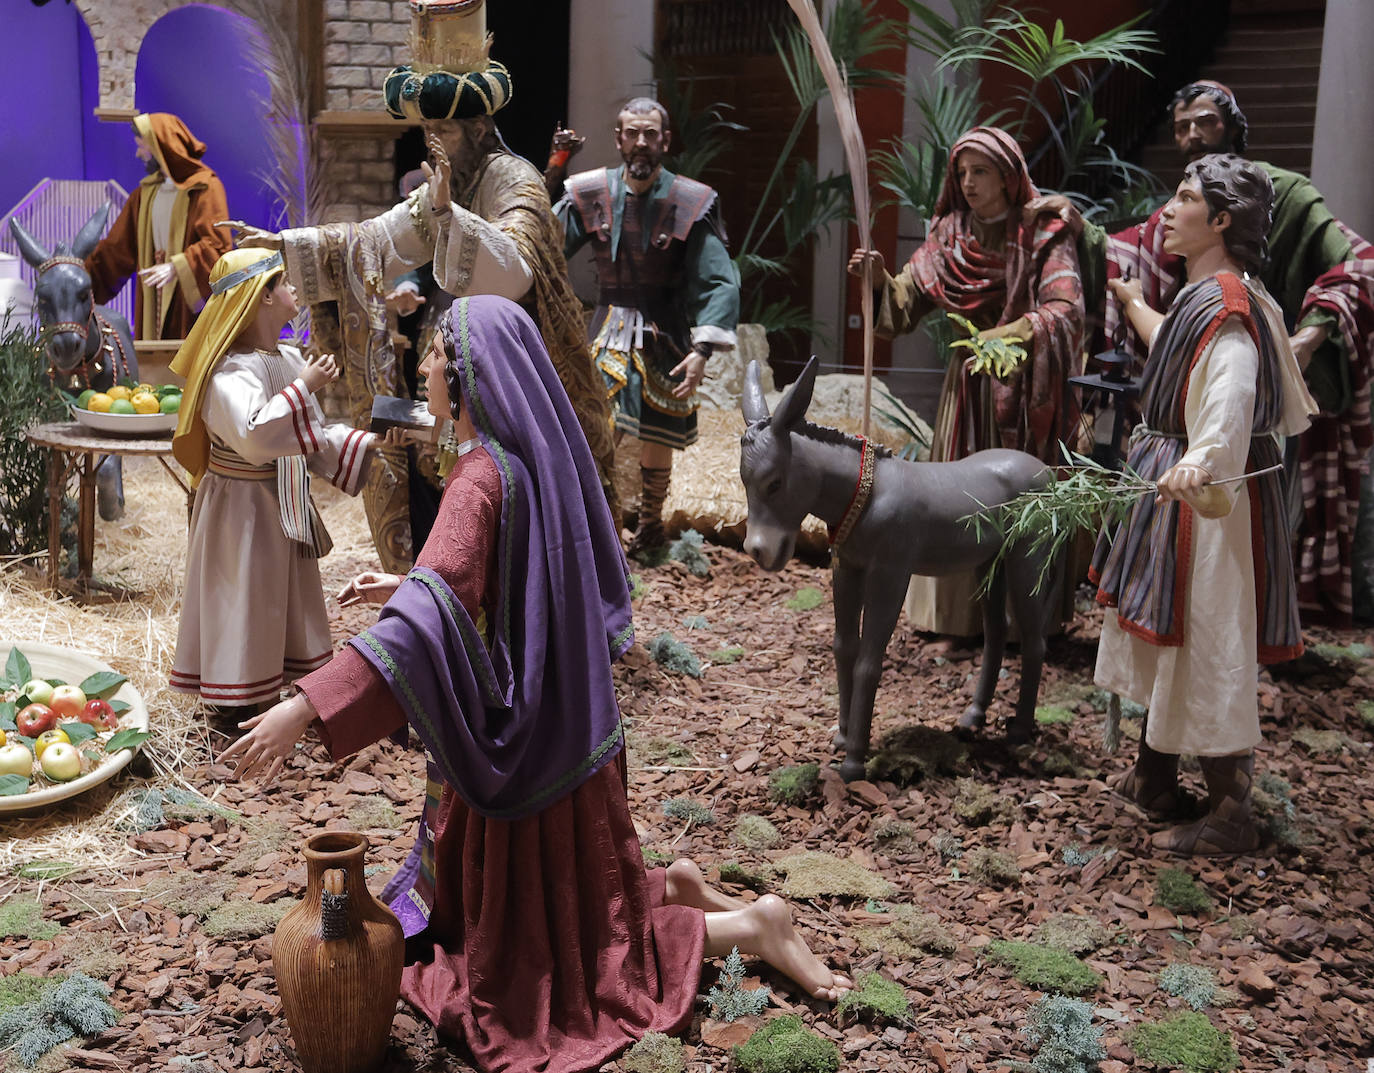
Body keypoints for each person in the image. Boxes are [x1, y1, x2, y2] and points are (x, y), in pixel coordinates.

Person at [220, 295, 851, 1073]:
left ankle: (748, 925)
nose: (423, 368)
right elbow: (498, 582)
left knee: (556, 974)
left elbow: (432, 617)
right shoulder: (527, 460)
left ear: (468, 374)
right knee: (579, 911)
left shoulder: (478, 477)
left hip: (521, 751)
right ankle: (680, 889)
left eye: (435, 357)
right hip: (568, 727)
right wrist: (413, 583)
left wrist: (303, 705)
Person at [225, 0, 617, 573]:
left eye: (444, 128)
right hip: (463, 369)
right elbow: (376, 242)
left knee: (514, 507)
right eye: (427, 127)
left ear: (480, 127)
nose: (431, 140)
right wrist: (282, 246)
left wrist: (448, 217)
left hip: (521, 378)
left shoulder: (515, 179)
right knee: (419, 452)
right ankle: (442, 599)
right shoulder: (447, 181)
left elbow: (516, 271)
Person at [1039, 81, 1374, 625]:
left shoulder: (1279, 203)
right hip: (1183, 440)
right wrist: (1115, 278)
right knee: (1186, 574)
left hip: (1241, 425)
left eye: (1205, 122)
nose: (1191, 134)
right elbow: (1143, 273)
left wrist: (1306, 339)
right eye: (1181, 125)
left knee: (1236, 550)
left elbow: (1357, 266)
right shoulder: (1195, 249)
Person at [1091, 155, 1317, 855]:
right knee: (1163, 629)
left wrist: (1202, 457)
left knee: (1207, 634)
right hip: (1175, 487)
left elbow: (1231, 388)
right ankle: (1157, 772)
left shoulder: (1229, 307)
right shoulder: (1202, 295)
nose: (1168, 209)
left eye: (1184, 198)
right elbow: (1178, 352)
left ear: (1221, 220)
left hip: (1208, 502)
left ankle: (1230, 810)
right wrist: (1132, 305)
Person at [848, 126, 1084, 635]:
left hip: (1026, 394)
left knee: (1021, 501)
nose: (969, 182)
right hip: (967, 392)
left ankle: (1023, 622)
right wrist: (877, 282)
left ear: (1008, 175)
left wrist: (1004, 338)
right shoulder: (949, 236)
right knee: (956, 498)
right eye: (962, 173)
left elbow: (1064, 310)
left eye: (981, 171)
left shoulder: (1043, 232)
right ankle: (957, 619)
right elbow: (902, 305)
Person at [168, 248, 380, 713]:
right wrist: (303, 387)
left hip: (279, 502)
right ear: (260, 298)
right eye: (283, 283)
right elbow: (254, 436)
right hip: (240, 508)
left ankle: (272, 689)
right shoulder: (227, 370)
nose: (294, 292)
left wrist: (369, 442)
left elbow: (309, 435)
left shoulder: (285, 356)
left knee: (277, 596)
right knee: (243, 594)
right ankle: (236, 699)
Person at [558, 97, 741, 555]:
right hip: (606, 326)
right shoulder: (589, 191)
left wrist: (701, 351)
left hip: (665, 328)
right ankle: (598, 529)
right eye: (633, 133)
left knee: (659, 427)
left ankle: (650, 528)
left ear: (665, 141)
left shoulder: (690, 200)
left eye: (651, 134)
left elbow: (718, 277)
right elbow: (543, 245)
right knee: (596, 427)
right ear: (619, 139)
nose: (642, 143)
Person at [84, 112, 231, 341]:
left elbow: (218, 247)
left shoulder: (205, 188)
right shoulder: (145, 195)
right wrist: (80, 279)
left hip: (187, 299)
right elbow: (117, 249)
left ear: (161, 146)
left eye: (143, 147)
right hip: (153, 297)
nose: (138, 153)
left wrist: (177, 267)